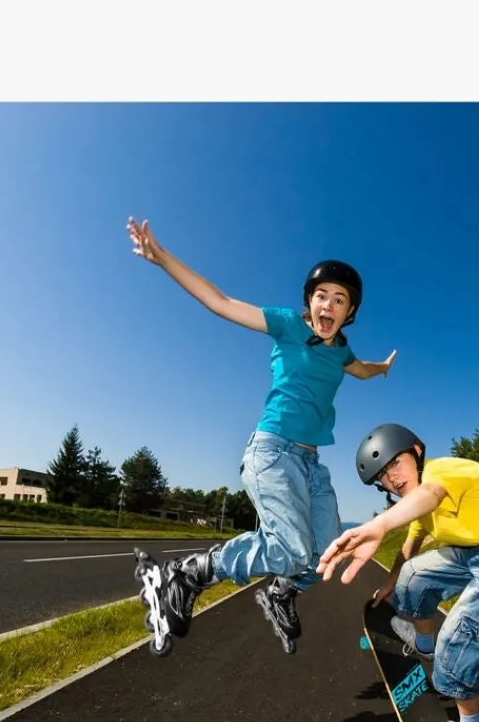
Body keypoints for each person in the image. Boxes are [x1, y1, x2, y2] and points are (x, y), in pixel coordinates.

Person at [126, 217, 396, 649]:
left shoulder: (342, 350)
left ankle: (281, 592)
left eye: (339, 300)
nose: (328, 306)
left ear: (350, 313)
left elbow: (360, 369)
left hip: (311, 463)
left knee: (327, 553)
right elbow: (220, 302)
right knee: (290, 550)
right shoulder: (288, 326)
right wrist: (163, 259)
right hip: (273, 453)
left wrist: (381, 368)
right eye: (321, 296)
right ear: (309, 302)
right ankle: (190, 574)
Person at [317, 423, 479, 722]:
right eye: (382, 477)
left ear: (416, 453)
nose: (392, 479)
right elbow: (408, 549)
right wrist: (389, 584)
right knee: (412, 576)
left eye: (395, 464)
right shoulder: (420, 508)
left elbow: (431, 492)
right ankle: (424, 645)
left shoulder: (441, 471)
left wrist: (380, 524)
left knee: (458, 639)